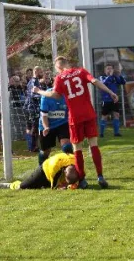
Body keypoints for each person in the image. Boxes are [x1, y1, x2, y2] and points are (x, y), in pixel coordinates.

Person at [33, 56, 118, 189]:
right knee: (93, 145)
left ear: (58, 67)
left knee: (77, 148)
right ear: (68, 63)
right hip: (89, 113)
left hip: (75, 117)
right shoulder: (81, 71)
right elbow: (95, 81)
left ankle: (82, 179)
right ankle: (100, 175)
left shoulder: (60, 78)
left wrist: (40, 91)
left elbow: (55, 95)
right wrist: (110, 92)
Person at [0, 152, 79, 190]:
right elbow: (54, 187)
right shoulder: (55, 168)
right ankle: (10, 185)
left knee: (40, 187)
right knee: (23, 187)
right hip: (44, 171)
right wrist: (60, 188)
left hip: (58, 171)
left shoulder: (79, 165)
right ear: (64, 171)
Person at [38, 88, 73, 165]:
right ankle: (41, 170)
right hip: (47, 124)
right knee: (45, 151)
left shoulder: (67, 94)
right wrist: (46, 127)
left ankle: (72, 169)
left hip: (62, 123)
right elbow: (44, 116)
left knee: (67, 146)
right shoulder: (46, 96)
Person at [98, 64, 125, 137]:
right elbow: (104, 83)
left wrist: (119, 74)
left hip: (114, 100)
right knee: (104, 116)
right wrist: (110, 76)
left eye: (111, 69)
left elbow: (123, 82)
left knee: (116, 115)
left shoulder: (115, 77)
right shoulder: (102, 77)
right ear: (105, 70)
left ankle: (116, 133)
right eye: (108, 69)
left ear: (113, 70)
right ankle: (101, 133)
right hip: (106, 100)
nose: (109, 70)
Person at [24, 66, 44, 152]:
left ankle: (31, 146)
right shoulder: (34, 81)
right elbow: (33, 94)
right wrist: (43, 95)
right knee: (34, 127)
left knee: (31, 127)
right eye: (41, 72)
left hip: (30, 107)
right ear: (36, 71)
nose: (42, 73)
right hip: (32, 107)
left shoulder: (34, 81)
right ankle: (33, 147)